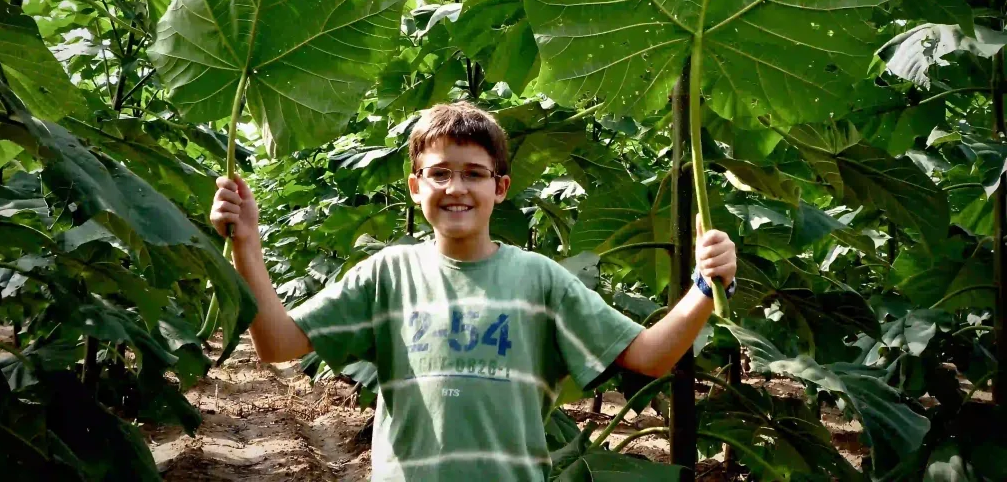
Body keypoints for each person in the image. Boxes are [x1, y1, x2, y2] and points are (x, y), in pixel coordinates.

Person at [211, 102, 737, 481]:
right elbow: (277, 344)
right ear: (415, 185)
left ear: (500, 188)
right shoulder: (386, 275)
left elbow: (648, 356)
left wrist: (702, 287)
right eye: (438, 173)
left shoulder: (540, 279)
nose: (456, 188)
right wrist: (248, 246)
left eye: (473, 174)